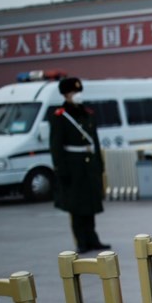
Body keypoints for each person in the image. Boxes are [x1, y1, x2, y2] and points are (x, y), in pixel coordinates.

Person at [50, 76, 110, 254]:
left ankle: (93, 238)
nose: (77, 95)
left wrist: (99, 165)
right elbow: (56, 146)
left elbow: (95, 142)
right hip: (73, 165)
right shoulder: (61, 116)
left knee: (90, 204)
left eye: (78, 91)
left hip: (89, 165)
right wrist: (61, 169)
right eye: (73, 92)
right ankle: (81, 241)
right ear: (66, 94)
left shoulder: (87, 113)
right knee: (76, 206)